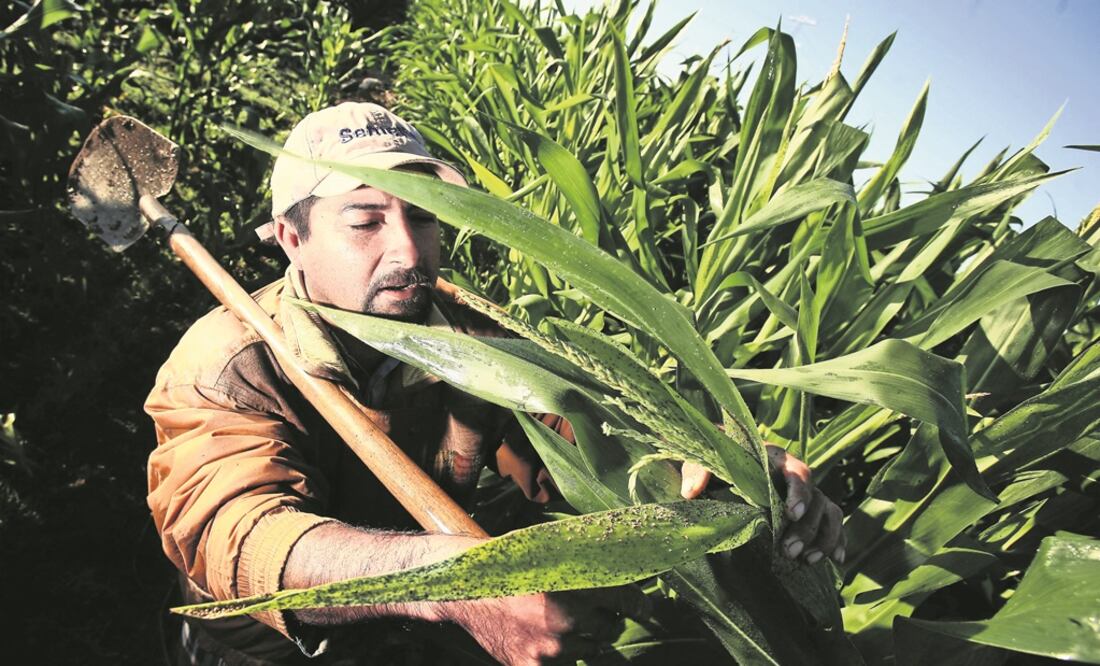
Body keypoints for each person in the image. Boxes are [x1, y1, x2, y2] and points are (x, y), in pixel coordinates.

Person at [145, 102, 846, 666]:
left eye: (421, 215)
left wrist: (723, 469)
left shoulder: (474, 339)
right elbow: (238, 536)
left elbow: (592, 435)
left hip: (424, 626)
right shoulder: (226, 363)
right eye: (364, 221)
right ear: (293, 240)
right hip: (275, 646)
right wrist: (454, 586)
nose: (408, 249)